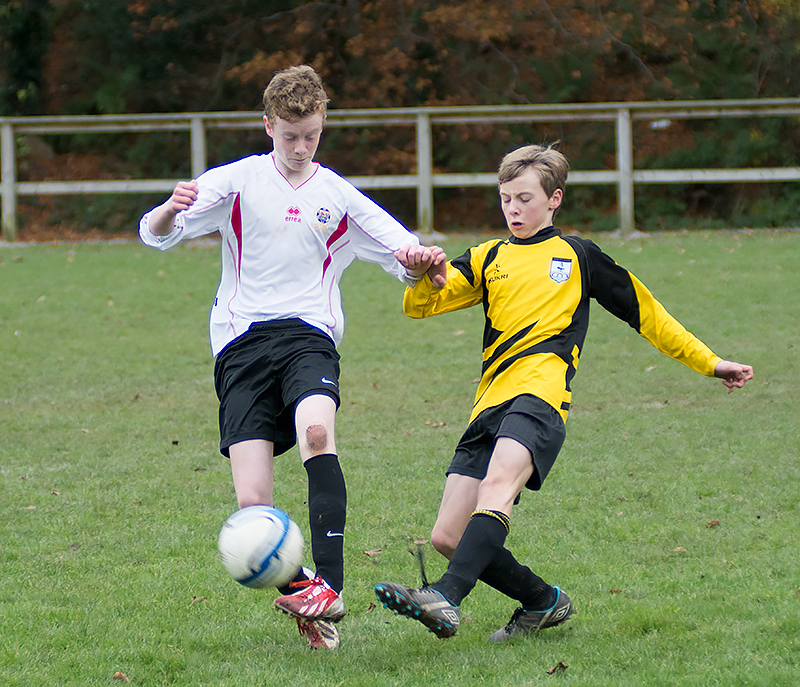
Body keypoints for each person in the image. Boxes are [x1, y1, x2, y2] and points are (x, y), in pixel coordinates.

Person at [375, 143, 754, 641]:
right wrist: (421, 274)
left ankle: (446, 597)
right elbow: (420, 306)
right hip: (489, 401)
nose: (513, 209)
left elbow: (648, 314)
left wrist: (711, 362)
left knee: (497, 489)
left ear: (554, 200)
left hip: (541, 397)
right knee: (448, 535)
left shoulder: (578, 255)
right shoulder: (489, 256)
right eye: (506, 198)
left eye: (525, 198)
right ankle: (542, 600)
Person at [139, 65, 439, 650]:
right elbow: (156, 233)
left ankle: (330, 585)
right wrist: (171, 208)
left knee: (318, 434)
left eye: (312, 136)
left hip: (308, 335)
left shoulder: (338, 196)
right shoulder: (237, 181)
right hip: (241, 345)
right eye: (290, 136)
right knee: (254, 510)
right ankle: (309, 596)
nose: (301, 148)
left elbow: (399, 251)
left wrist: (419, 257)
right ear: (268, 125)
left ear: (322, 126)